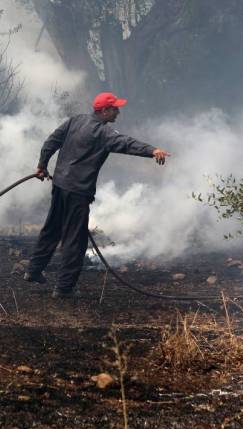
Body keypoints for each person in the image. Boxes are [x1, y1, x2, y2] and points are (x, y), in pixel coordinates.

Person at [23, 92, 171, 297]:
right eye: (115, 108)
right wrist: (152, 150)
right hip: (77, 191)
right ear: (104, 110)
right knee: (75, 240)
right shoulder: (103, 132)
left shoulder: (75, 121)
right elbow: (126, 143)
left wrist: (42, 165)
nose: (118, 112)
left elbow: (51, 142)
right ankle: (64, 288)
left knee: (52, 229)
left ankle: (33, 271)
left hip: (60, 185)